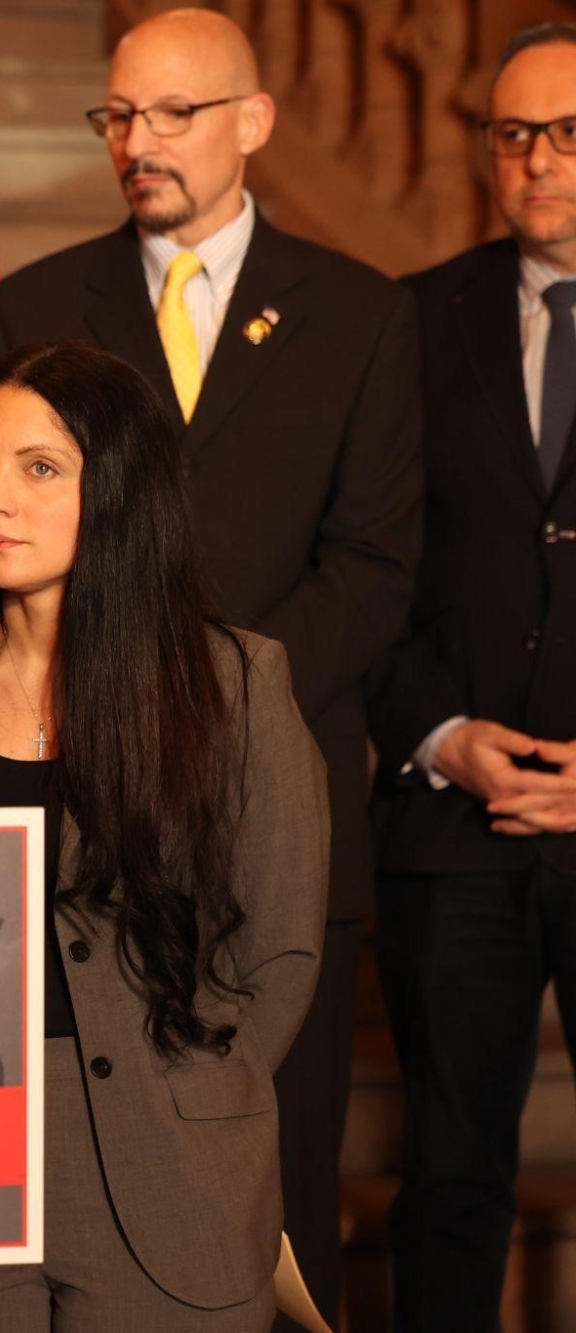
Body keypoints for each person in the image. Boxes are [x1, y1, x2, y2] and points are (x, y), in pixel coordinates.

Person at [0, 11, 421, 1314]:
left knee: (274, 1203)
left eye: (172, 114)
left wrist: (215, 697)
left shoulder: (360, 312)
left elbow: (373, 567)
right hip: (73, 831)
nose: (138, 142)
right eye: (117, 116)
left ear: (254, 121)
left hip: (269, 819)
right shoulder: (31, 305)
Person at [0, 340, 328, 1329]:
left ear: (119, 488)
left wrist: (187, 1089)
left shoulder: (235, 684)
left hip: (168, 1156)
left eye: (39, 467)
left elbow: (281, 947)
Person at [369, 24, 576, 1328]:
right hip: (450, 828)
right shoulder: (405, 320)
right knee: (450, 1182)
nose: (536, 160)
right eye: (512, 134)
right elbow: (360, 567)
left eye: (567, 134)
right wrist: (437, 734)